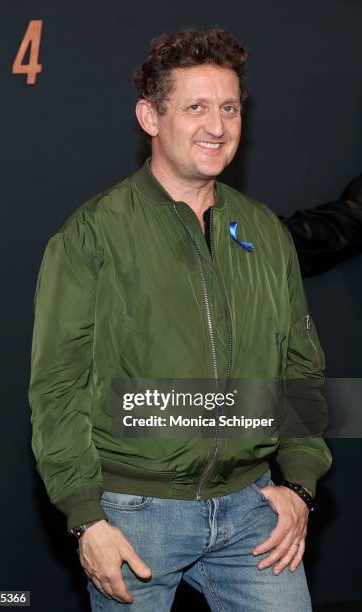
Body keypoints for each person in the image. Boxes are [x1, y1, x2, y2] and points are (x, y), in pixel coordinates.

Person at [28, 28, 333, 611]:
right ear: (150, 116)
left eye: (229, 108)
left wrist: (299, 482)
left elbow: (301, 366)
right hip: (135, 517)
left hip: (254, 512)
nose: (216, 127)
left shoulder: (265, 231)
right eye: (195, 107)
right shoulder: (93, 235)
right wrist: (86, 518)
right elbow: (57, 387)